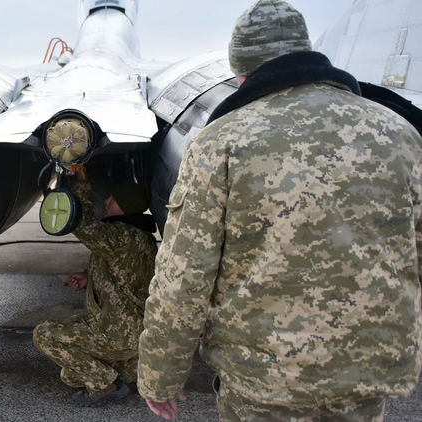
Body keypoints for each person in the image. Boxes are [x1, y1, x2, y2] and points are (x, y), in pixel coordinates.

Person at [137, 0, 422, 420]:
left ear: (242, 70)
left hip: (264, 382)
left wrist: (160, 376)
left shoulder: (221, 143)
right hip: (365, 376)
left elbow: (185, 275)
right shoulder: (399, 133)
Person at [33, 170, 158, 407]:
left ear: (126, 207)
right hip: (135, 334)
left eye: (114, 199)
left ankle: (106, 385)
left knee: (44, 335)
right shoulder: (140, 237)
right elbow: (124, 274)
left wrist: (80, 183)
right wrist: (89, 277)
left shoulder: (122, 236)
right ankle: (126, 370)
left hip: (116, 333)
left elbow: (84, 226)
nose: (107, 201)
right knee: (70, 375)